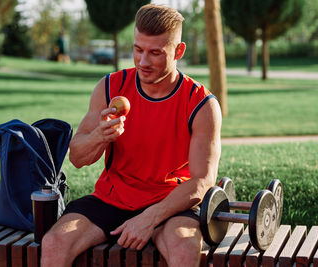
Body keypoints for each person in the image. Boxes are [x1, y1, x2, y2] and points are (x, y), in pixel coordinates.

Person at [41, 4, 222, 267]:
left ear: (179, 51)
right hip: (112, 198)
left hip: (170, 204)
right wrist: (99, 137)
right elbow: (78, 157)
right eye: (138, 50)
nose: (143, 62)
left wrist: (149, 218)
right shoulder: (110, 87)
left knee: (184, 247)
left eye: (155, 53)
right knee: (54, 243)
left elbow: (203, 181)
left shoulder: (201, 104)